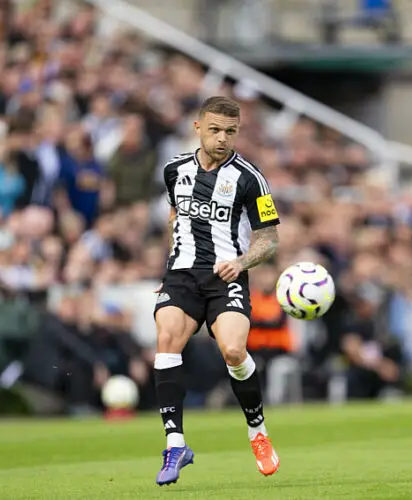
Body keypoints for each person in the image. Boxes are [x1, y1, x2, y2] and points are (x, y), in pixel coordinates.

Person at [152, 96, 281, 486]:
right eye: (215, 130)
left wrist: (241, 263)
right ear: (197, 127)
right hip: (182, 276)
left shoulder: (249, 178)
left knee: (233, 350)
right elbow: (175, 216)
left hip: (226, 278)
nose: (222, 138)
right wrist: (170, 263)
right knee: (167, 338)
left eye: (230, 131)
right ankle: (175, 444)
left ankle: (257, 431)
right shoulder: (174, 169)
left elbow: (269, 239)